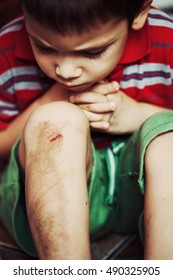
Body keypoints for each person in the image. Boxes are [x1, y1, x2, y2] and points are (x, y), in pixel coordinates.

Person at [0, 0, 173, 260]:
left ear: (139, 14)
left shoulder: (167, 38)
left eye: (92, 52)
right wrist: (49, 101)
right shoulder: (7, 48)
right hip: (44, 205)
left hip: (145, 198)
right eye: (43, 46)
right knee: (55, 119)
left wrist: (137, 114)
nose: (66, 72)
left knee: (167, 141)